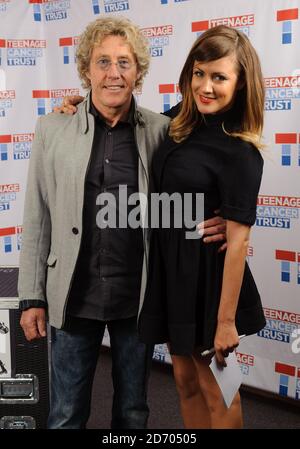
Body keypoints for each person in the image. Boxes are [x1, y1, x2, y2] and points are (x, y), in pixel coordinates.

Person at [18, 16, 224, 429]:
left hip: (138, 297)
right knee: (64, 415)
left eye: (125, 63)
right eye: (103, 62)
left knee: (133, 413)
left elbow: (188, 187)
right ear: (86, 70)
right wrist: (31, 297)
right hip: (74, 296)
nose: (114, 73)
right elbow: (38, 215)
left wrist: (215, 221)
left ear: (139, 72)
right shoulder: (52, 128)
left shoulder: (163, 130)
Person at [138, 25, 266, 429]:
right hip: (174, 273)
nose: (206, 86)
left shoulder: (241, 151)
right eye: (199, 73)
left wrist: (225, 321)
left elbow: (239, 241)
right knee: (183, 380)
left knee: (218, 388)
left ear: (241, 82)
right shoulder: (177, 121)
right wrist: (79, 106)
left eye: (219, 77)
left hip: (211, 281)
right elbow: (130, 121)